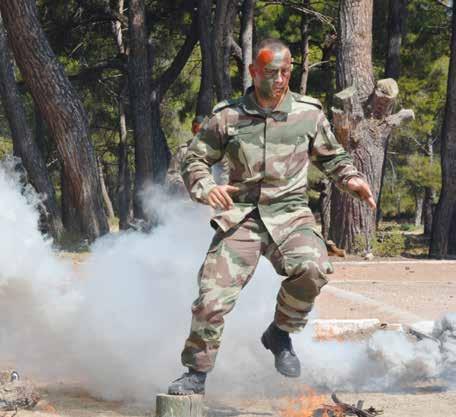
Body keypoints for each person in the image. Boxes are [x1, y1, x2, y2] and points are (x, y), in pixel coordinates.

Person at [168, 38, 376, 395]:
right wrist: (206, 187)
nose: (279, 79)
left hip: (291, 215)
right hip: (242, 217)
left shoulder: (308, 113)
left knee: (313, 269)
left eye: (285, 72)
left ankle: (279, 333)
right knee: (211, 297)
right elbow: (195, 158)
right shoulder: (228, 116)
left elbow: (332, 158)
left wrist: (351, 178)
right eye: (270, 72)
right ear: (253, 71)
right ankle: (195, 373)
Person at [166, 116, 229, 195]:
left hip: (214, 196)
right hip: (188, 199)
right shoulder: (183, 150)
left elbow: (225, 173)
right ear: (194, 130)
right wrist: (182, 184)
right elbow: (171, 175)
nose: (201, 133)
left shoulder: (219, 150)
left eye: (204, 130)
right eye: (198, 130)